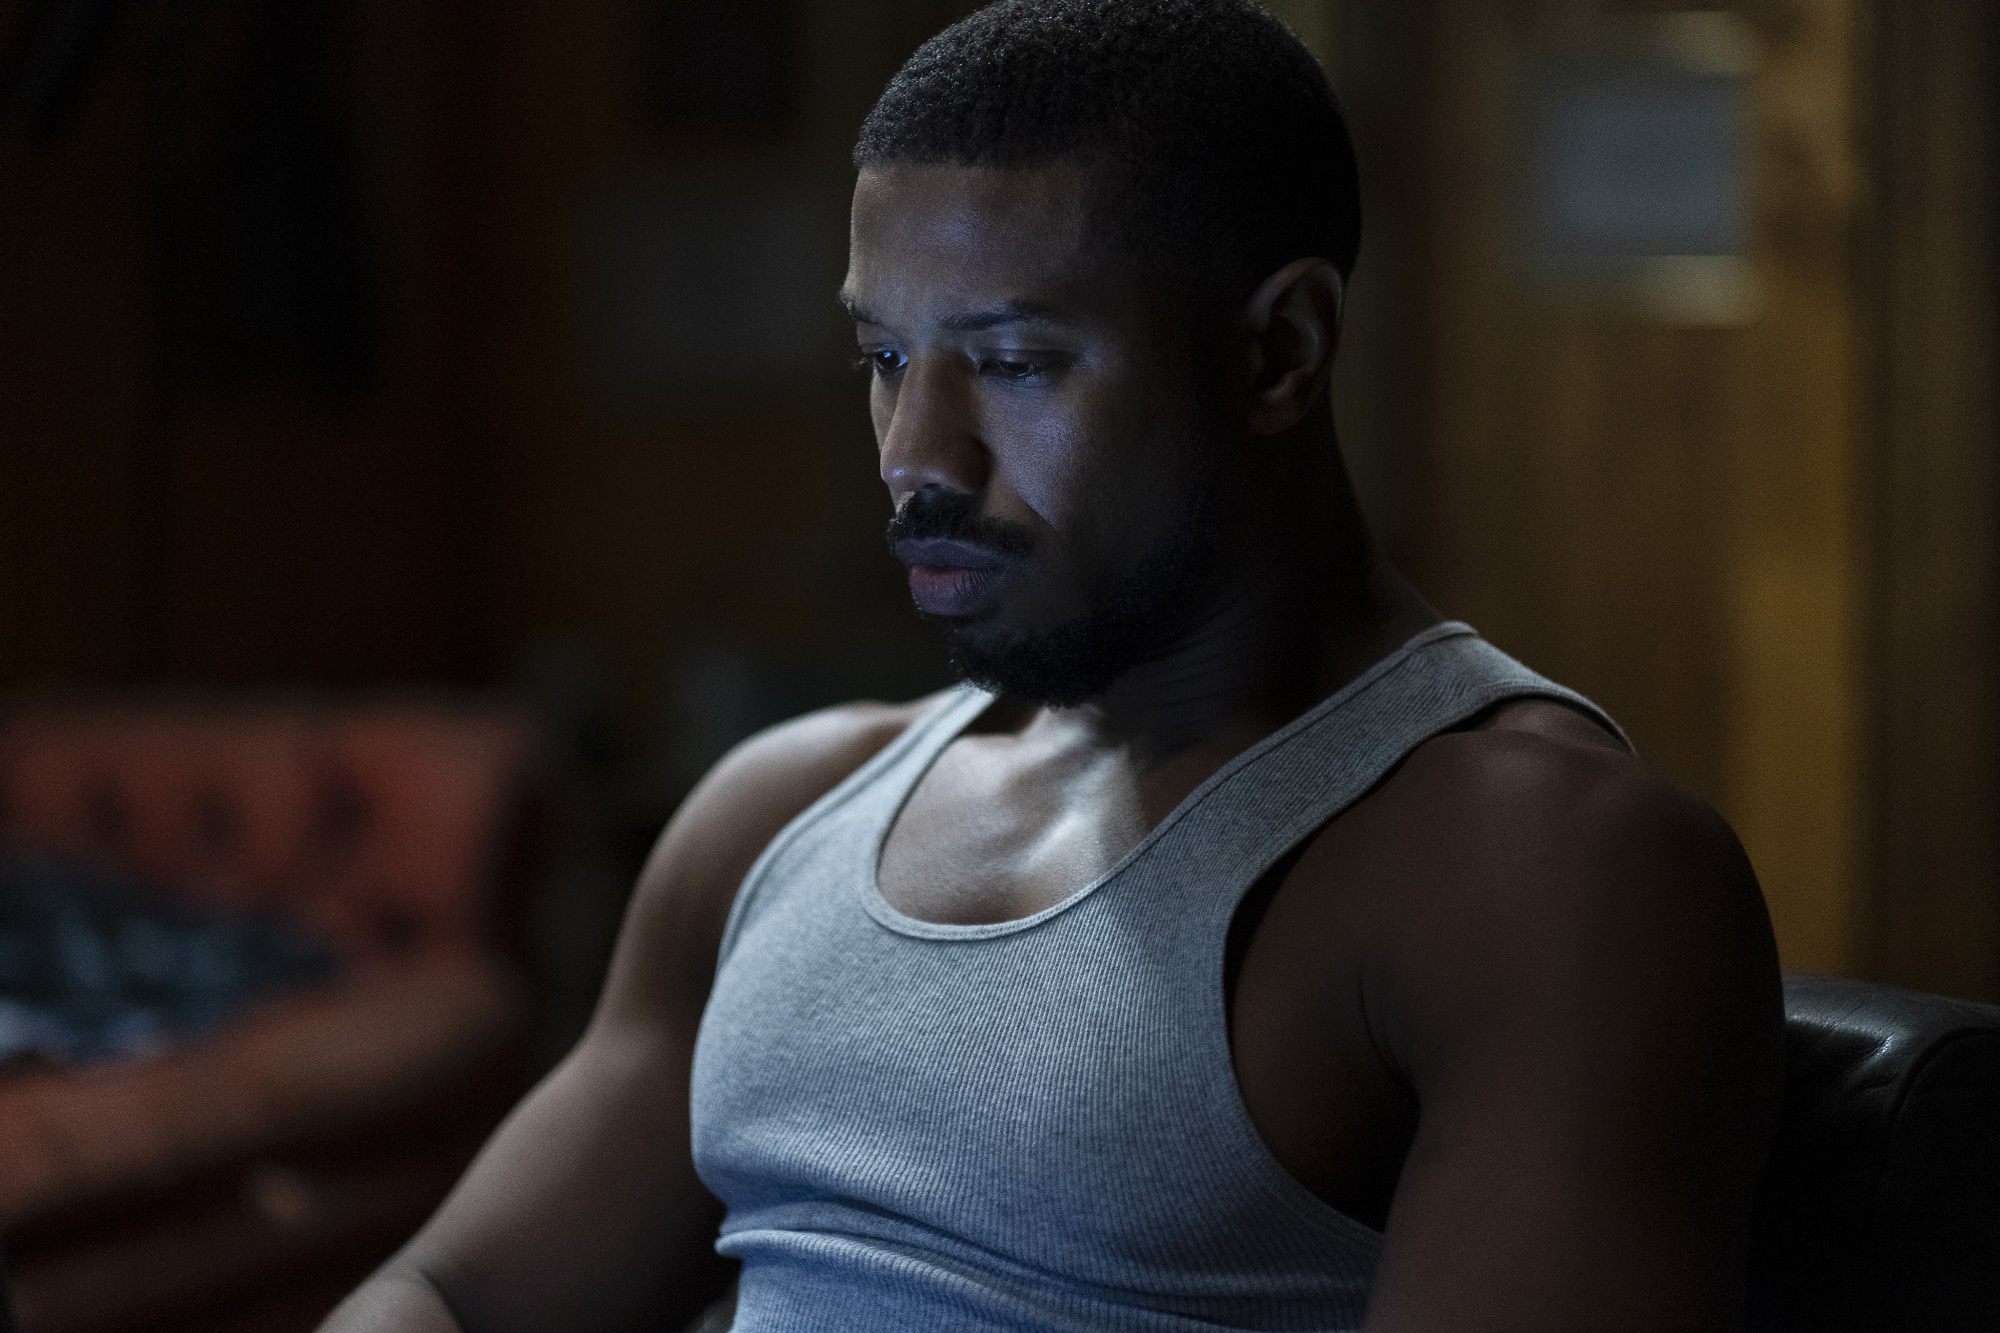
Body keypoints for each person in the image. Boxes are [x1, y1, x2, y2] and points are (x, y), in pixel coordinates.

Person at [322, 2, 1785, 1330]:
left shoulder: (1540, 871)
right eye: (885, 360)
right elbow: (450, 1293)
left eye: (1014, 363)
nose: (915, 459)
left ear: (1279, 352)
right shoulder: (777, 813)